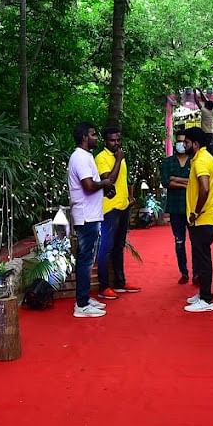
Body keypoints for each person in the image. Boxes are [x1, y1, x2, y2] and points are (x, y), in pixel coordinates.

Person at [67, 122, 121, 319]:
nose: (96, 137)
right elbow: (89, 186)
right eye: (93, 134)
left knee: (88, 260)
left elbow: (93, 185)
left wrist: (104, 188)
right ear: (84, 137)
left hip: (92, 214)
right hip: (86, 217)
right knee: (86, 260)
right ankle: (81, 304)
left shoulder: (86, 156)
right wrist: (105, 183)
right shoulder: (79, 158)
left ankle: (85, 299)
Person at [95, 126, 140, 299]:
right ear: (105, 141)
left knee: (119, 246)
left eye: (118, 140)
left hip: (123, 206)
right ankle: (104, 286)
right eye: (112, 140)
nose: (116, 143)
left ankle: (120, 283)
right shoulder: (102, 158)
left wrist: (129, 197)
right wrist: (118, 160)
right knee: (106, 247)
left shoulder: (119, 157)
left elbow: (123, 180)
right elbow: (109, 181)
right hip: (109, 208)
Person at [183, 127, 213, 312]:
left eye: (186, 142)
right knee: (200, 257)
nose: (183, 145)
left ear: (195, 144)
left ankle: (206, 299)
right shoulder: (201, 158)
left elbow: (204, 188)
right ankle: (203, 294)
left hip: (202, 218)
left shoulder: (202, 161)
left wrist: (196, 211)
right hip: (202, 218)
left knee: (203, 259)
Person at [159, 128, 192, 283]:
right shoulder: (167, 162)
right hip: (175, 207)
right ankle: (184, 272)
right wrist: (187, 183)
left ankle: (198, 273)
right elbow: (166, 182)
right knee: (179, 241)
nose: (181, 144)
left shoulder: (195, 160)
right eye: (178, 141)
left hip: (192, 207)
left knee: (196, 242)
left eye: (184, 141)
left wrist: (176, 180)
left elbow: (197, 182)